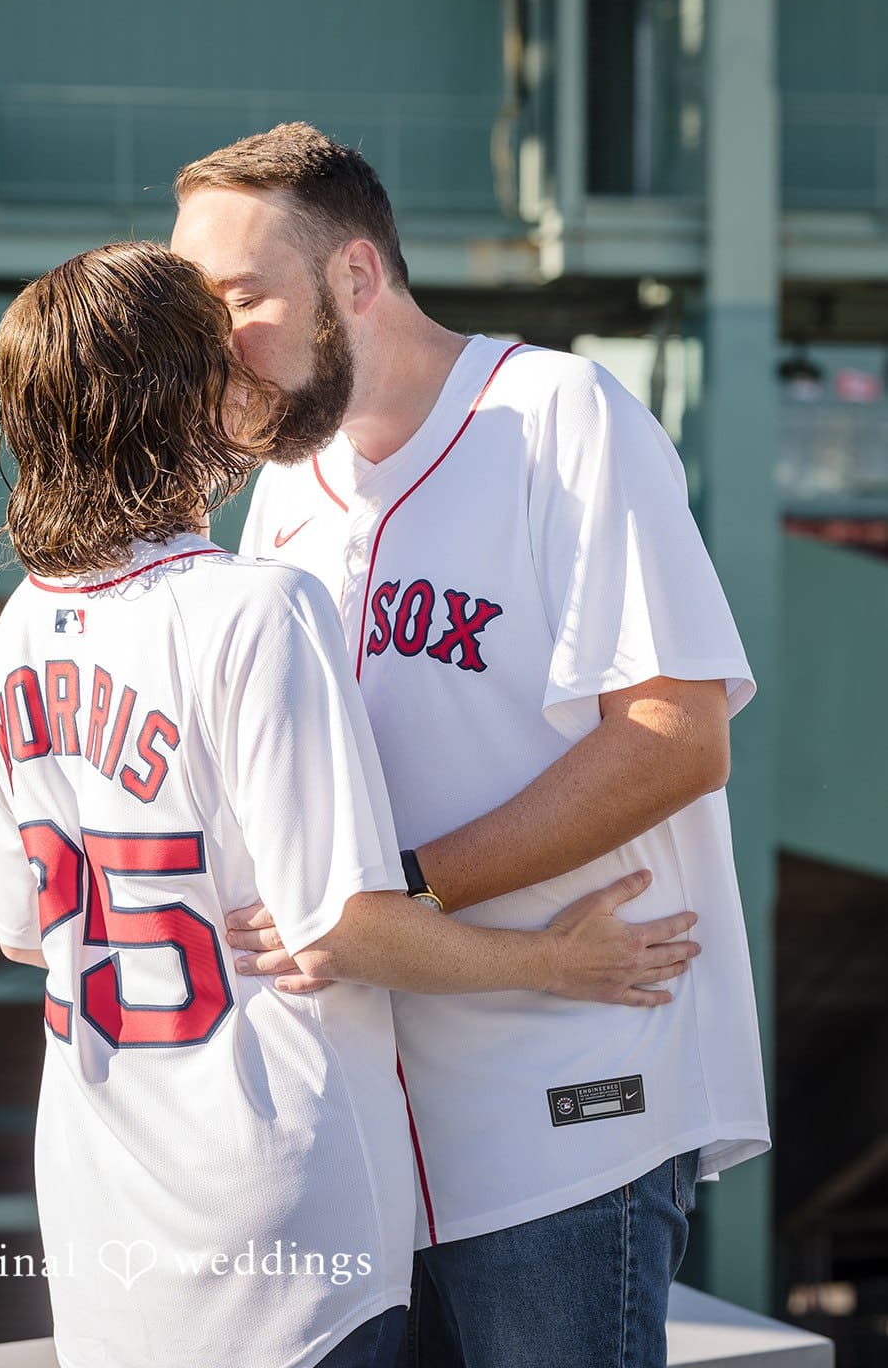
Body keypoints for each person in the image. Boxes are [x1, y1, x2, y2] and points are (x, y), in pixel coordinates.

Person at [0, 241, 702, 1368]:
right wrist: (554, 963)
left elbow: (25, 933)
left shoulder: (15, 630)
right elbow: (342, 930)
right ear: (196, 395)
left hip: (102, 1204)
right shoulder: (255, 609)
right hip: (280, 1206)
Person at [169, 125, 772, 1368]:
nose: (216, 339)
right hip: (372, 1130)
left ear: (353, 274)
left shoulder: (559, 414)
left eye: (240, 298)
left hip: (565, 1103)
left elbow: (674, 739)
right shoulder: (284, 484)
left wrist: (401, 887)